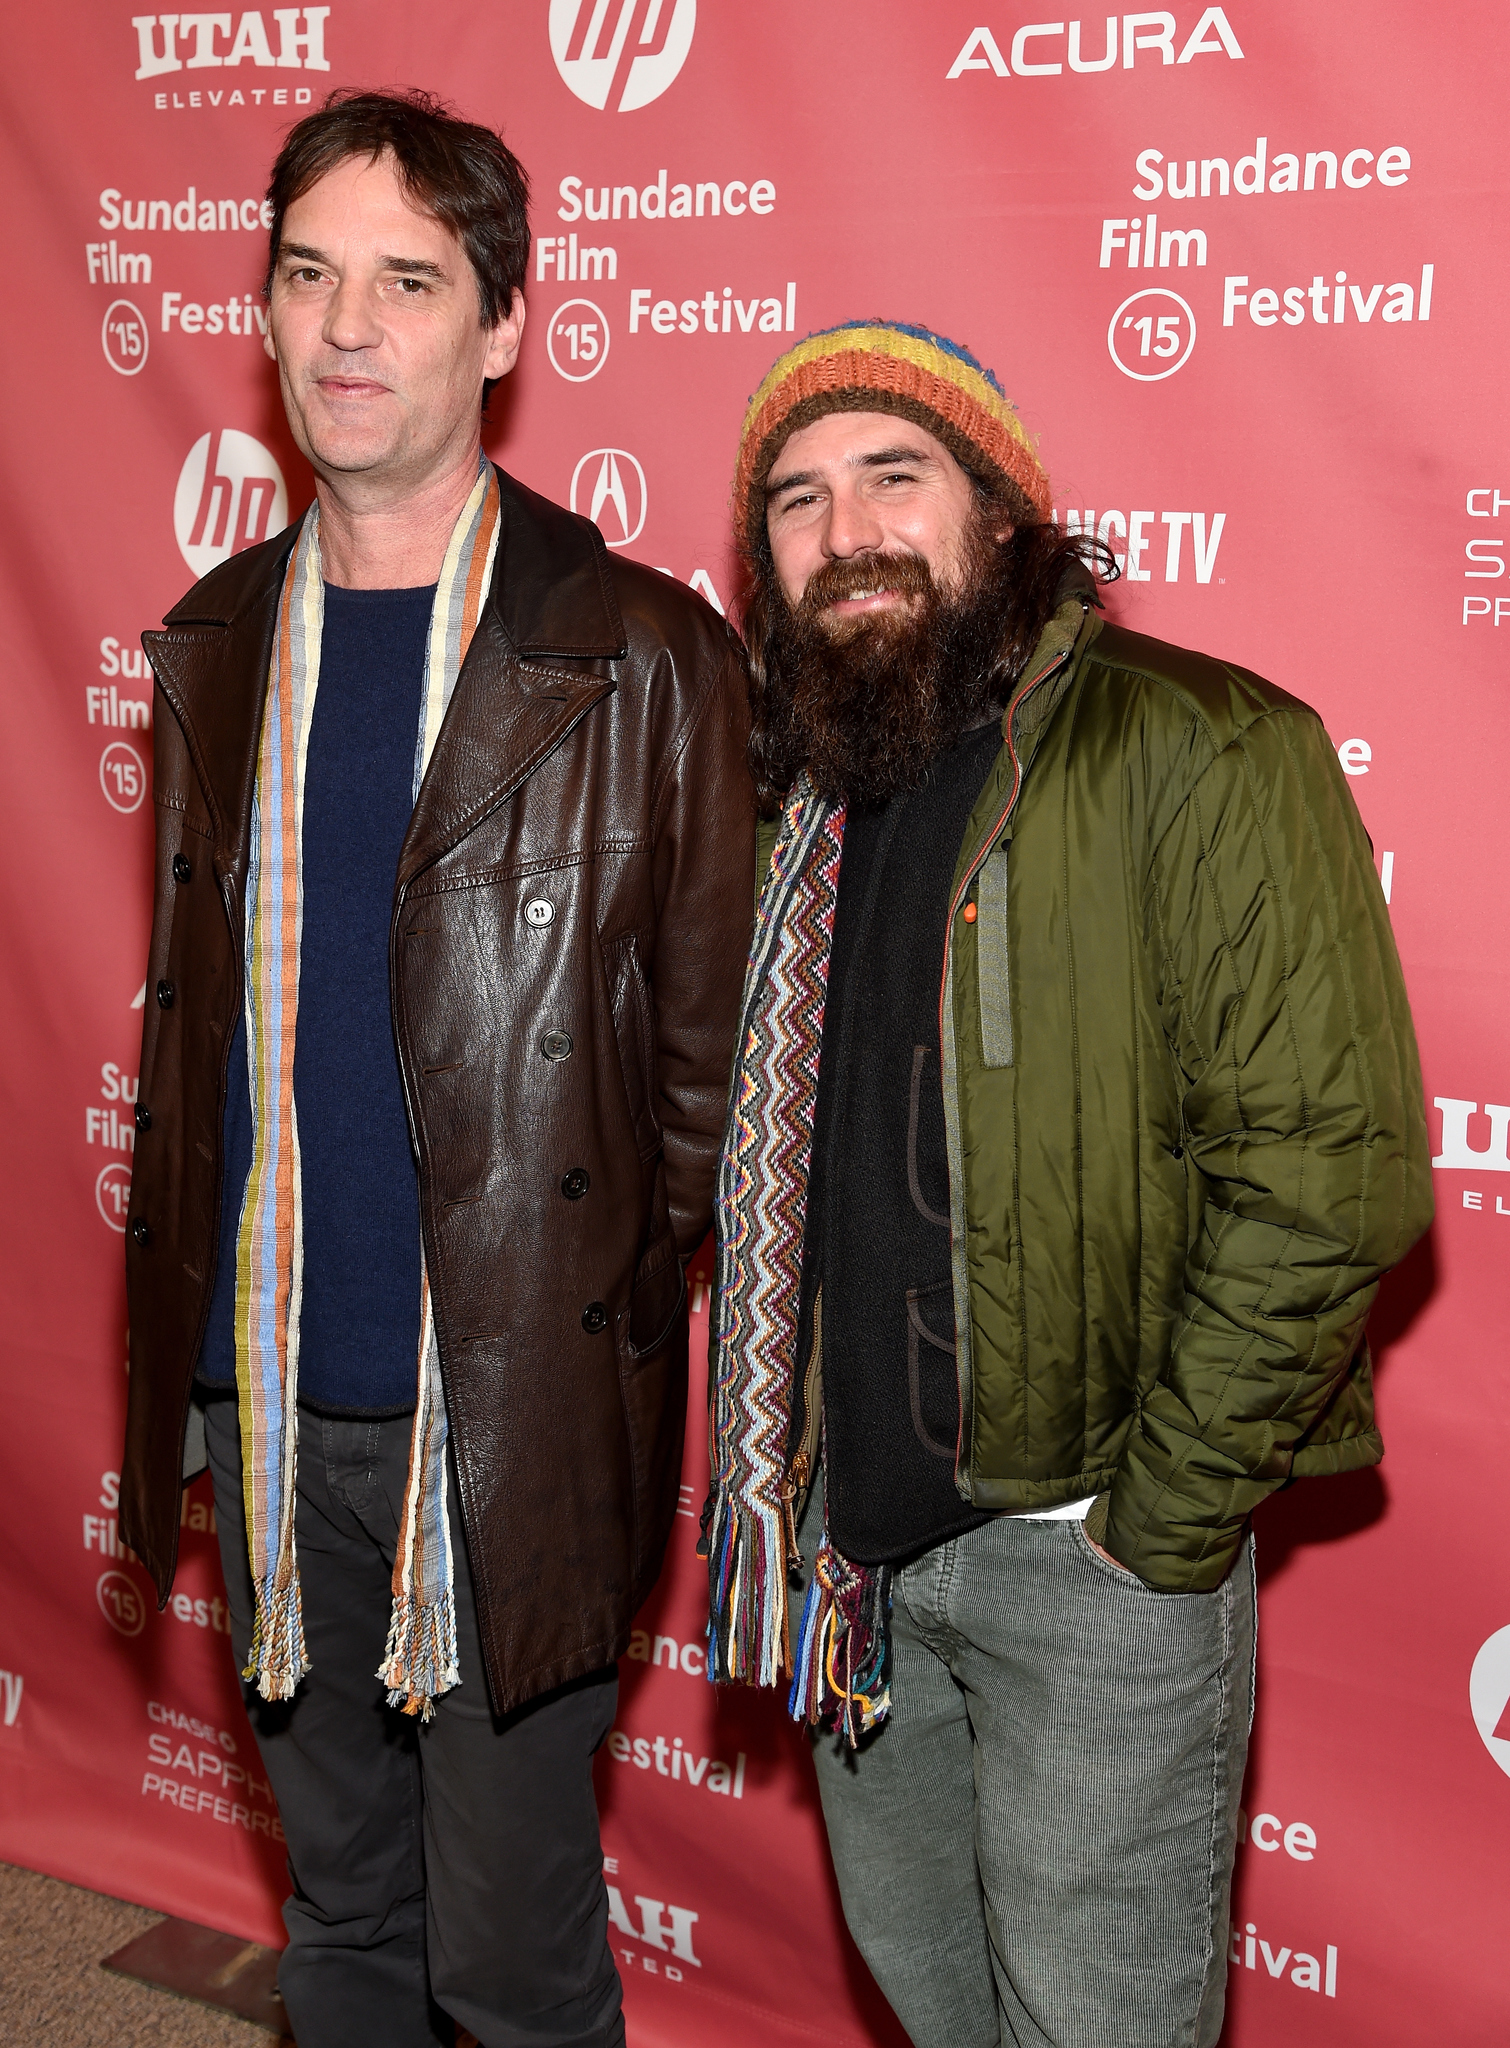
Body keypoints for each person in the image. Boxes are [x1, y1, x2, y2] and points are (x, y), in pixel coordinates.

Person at [703, 320, 1431, 2048]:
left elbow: (1330, 1182)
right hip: (850, 1556)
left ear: (1004, 510)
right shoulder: (796, 792)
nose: (845, 528)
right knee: (938, 1997)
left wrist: (1148, 1536)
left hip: (1084, 1561)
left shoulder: (1201, 746)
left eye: (896, 474)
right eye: (796, 499)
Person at [121, 89, 752, 2048]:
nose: (343, 329)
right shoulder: (218, 636)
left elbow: (703, 1079)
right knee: (341, 1923)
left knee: (509, 1957)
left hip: (502, 1418)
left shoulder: (636, 652)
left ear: (500, 326)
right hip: (269, 1382)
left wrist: (584, 1342)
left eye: (406, 280)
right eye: (306, 276)